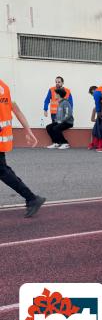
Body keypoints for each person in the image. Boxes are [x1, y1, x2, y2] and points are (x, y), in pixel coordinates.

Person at [0, 79, 46, 217]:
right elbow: (15, 108)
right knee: (3, 171)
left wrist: (28, 131)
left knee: (3, 171)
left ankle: (32, 198)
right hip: (2, 140)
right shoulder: (3, 87)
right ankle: (32, 198)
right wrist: (28, 131)